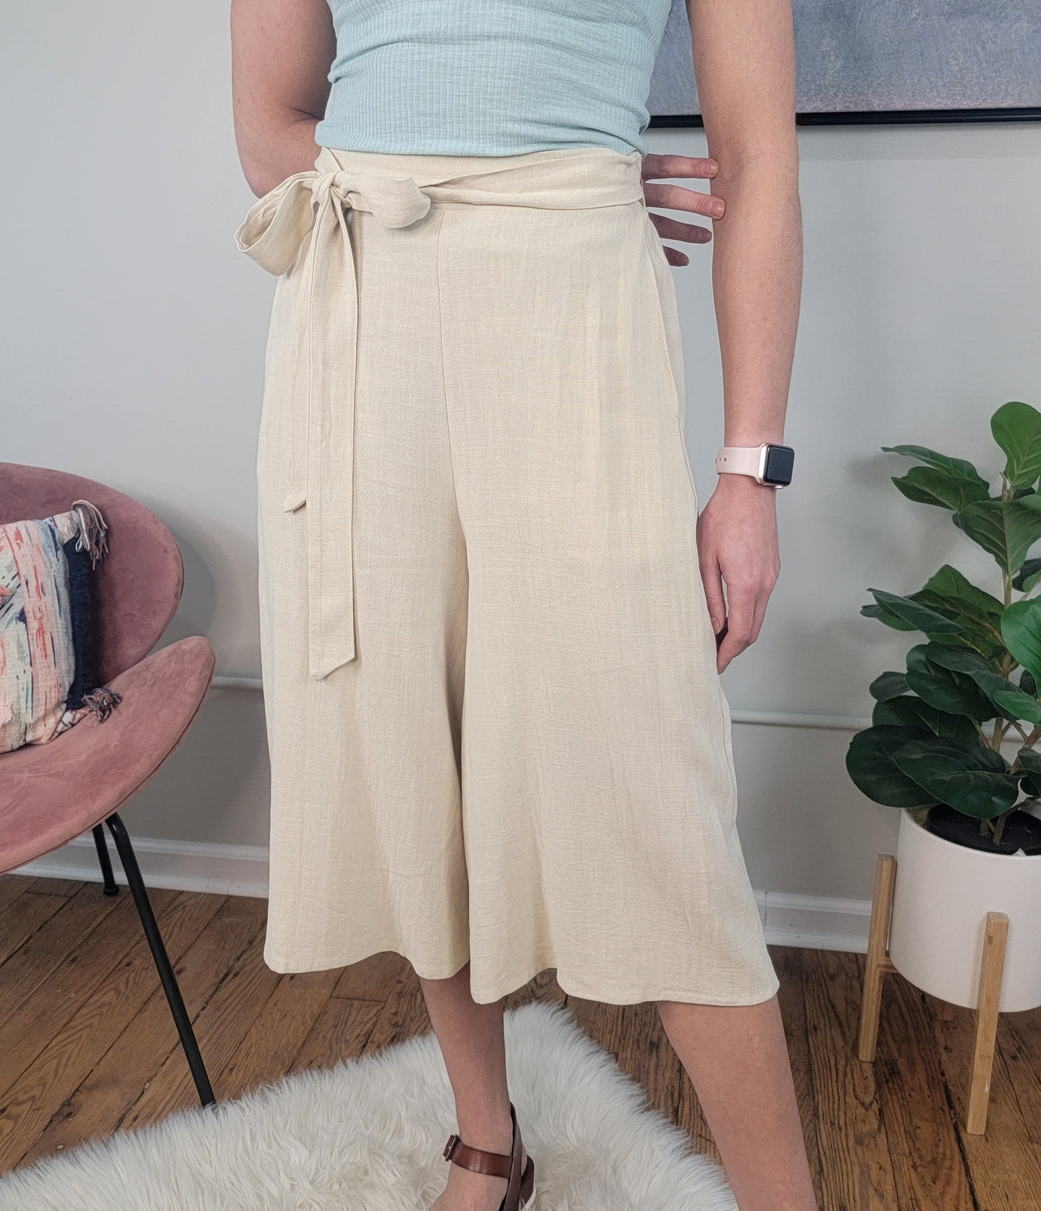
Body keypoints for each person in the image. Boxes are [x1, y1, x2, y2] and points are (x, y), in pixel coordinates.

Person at [230, 2, 814, 1209]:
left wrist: (749, 472)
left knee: (655, 792)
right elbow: (269, 121)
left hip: (575, 308)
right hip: (361, 314)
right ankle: (488, 1141)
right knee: (412, 735)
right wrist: (467, 191)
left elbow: (759, 163)